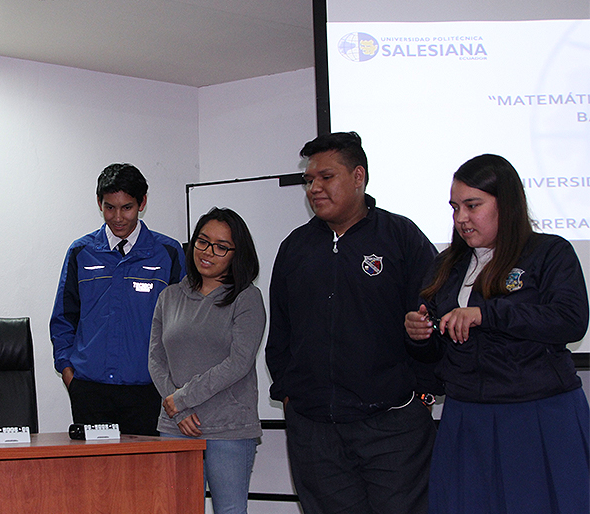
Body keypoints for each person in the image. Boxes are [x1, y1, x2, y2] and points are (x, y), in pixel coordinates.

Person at [405, 154, 590, 514]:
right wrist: (420, 335)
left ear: (506, 204)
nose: (461, 218)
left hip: (537, 414)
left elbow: (569, 320)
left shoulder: (549, 252)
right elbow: (435, 355)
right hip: (466, 416)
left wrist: (485, 314)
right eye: (455, 207)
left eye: (472, 205)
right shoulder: (447, 266)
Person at [265, 132, 439, 513]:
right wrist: (292, 396)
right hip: (314, 430)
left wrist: (422, 393)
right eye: (310, 180)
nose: (314, 188)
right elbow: (281, 335)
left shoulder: (400, 237)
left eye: (326, 177)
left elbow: (431, 320)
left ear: (358, 176)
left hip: (391, 426)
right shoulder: (295, 247)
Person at [50, 163, 185, 436]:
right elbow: (64, 319)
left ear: (142, 203)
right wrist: (69, 376)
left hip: (148, 392)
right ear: (99, 203)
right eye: (110, 207)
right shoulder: (81, 252)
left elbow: (181, 325)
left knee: (146, 477)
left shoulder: (168, 253)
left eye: (127, 207)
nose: (118, 217)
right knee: (95, 477)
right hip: (90, 391)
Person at [149, 207, 265, 513]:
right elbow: (155, 360)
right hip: (174, 426)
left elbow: (238, 363)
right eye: (202, 241)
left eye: (221, 246)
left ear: (237, 254)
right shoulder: (169, 296)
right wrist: (176, 409)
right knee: (177, 508)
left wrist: (183, 398)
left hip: (228, 428)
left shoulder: (247, 298)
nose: (208, 252)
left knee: (229, 510)